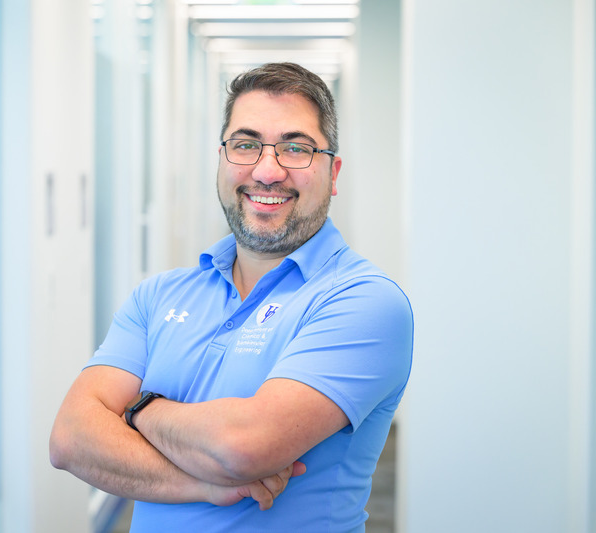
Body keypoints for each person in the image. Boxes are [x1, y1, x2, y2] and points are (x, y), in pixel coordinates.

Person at [50, 62, 413, 532]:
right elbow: (70, 438)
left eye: (296, 148)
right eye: (245, 144)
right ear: (223, 160)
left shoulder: (365, 302)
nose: (267, 170)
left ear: (333, 171)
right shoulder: (159, 295)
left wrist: (137, 408)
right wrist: (207, 485)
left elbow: (245, 448)